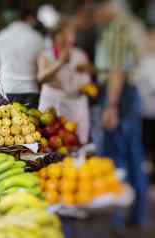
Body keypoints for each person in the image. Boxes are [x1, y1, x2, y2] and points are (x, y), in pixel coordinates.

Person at [93, 0, 148, 230]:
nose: (96, 14)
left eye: (98, 8)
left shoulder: (116, 29)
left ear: (109, 8)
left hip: (118, 96)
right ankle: (138, 216)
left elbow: (117, 71)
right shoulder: (130, 26)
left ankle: (114, 221)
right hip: (130, 96)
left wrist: (111, 106)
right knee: (134, 156)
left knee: (114, 158)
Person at [38, 20, 91, 144]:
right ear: (55, 37)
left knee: (78, 143)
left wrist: (87, 72)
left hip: (76, 107)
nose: (68, 38)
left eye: (71, 34)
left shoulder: (80, 54)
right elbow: (41, 78)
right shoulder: (46, 55)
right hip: (52, 106)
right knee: (49, 144)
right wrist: (60, 63)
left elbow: (87, 79)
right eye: (63, 34)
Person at [0, 9, 44, 108]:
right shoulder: (37, 38)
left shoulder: (1, 36)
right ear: (30, 18)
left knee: (5, 123)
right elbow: (42, 69)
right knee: (30, 122)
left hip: (6, 89)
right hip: (30, 90)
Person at [135, 27, 155, 180]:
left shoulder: (148, 62)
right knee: (147, 150)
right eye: (151, 38)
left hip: (149, 112)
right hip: (146, 113)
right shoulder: (145, 61)